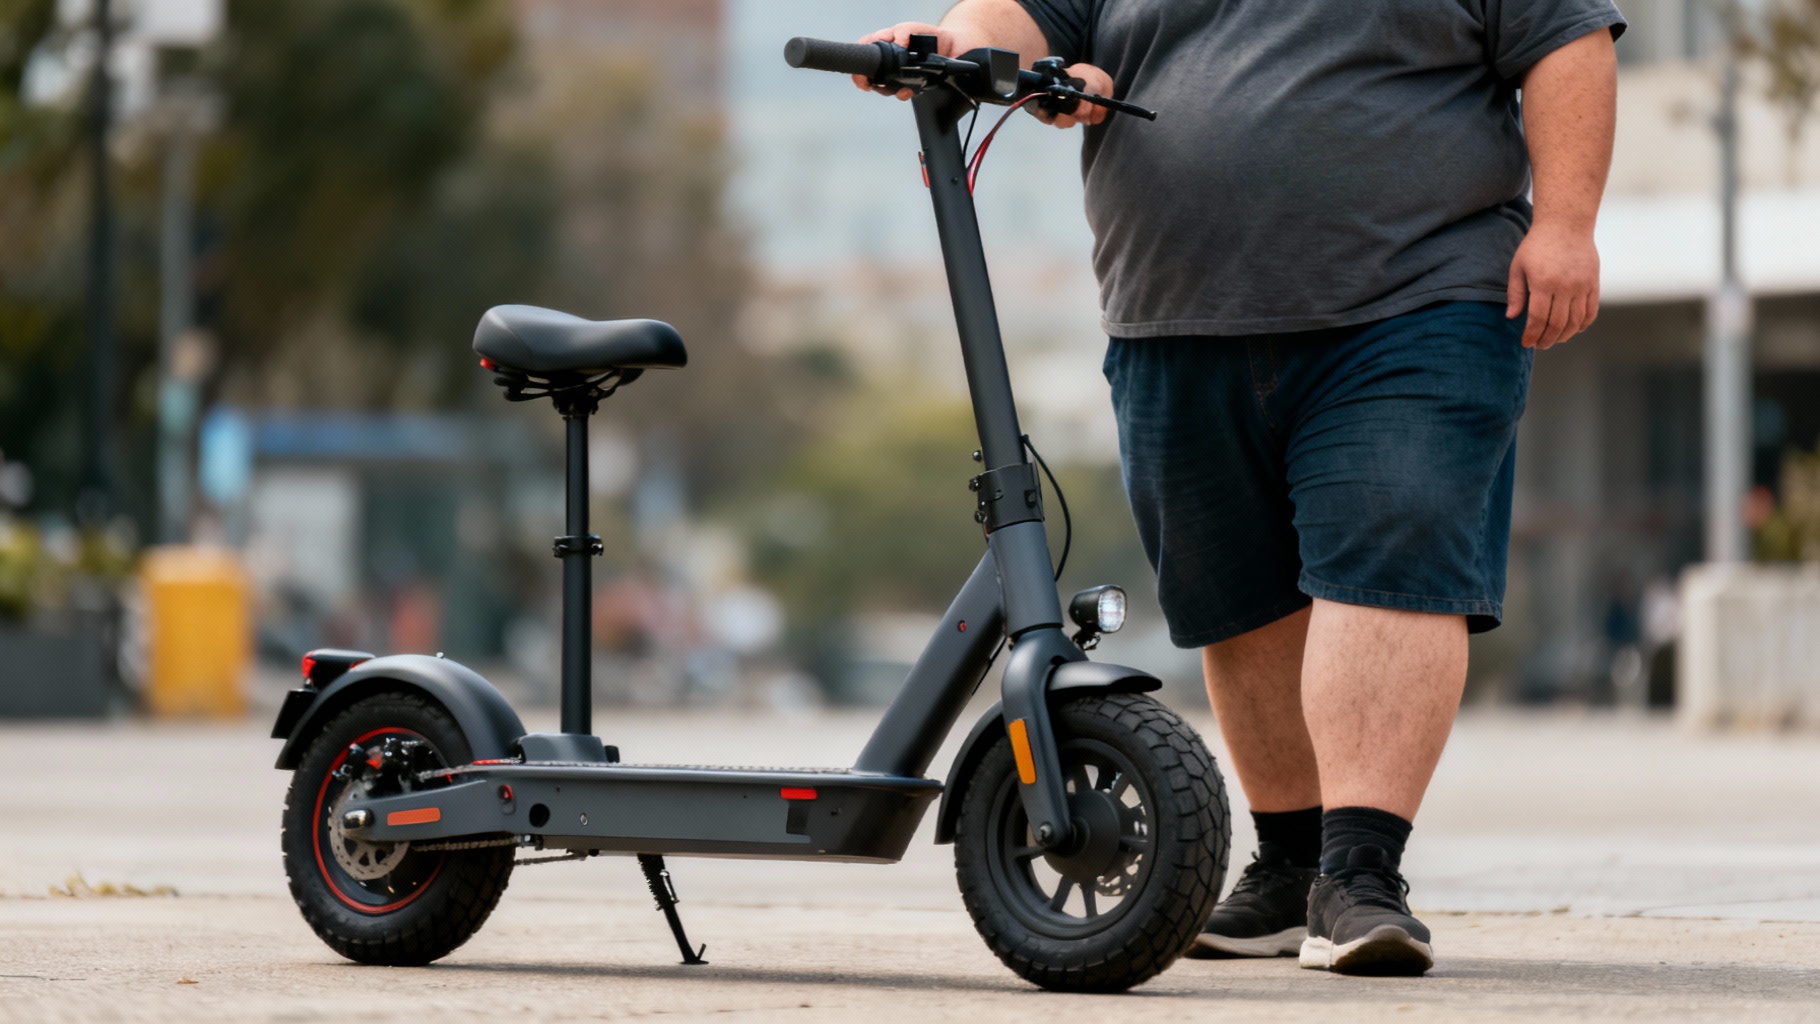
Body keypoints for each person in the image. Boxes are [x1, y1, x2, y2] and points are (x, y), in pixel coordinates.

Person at [856, 0, 1624, 976]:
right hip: (1175, 313)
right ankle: (1289, 864)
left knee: (1388, 549)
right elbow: (1022, 15)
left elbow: (1565, 42)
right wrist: (952, 49)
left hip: (1414, 298)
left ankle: (1358, 874)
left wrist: (1564, 224)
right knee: (1238, 598)